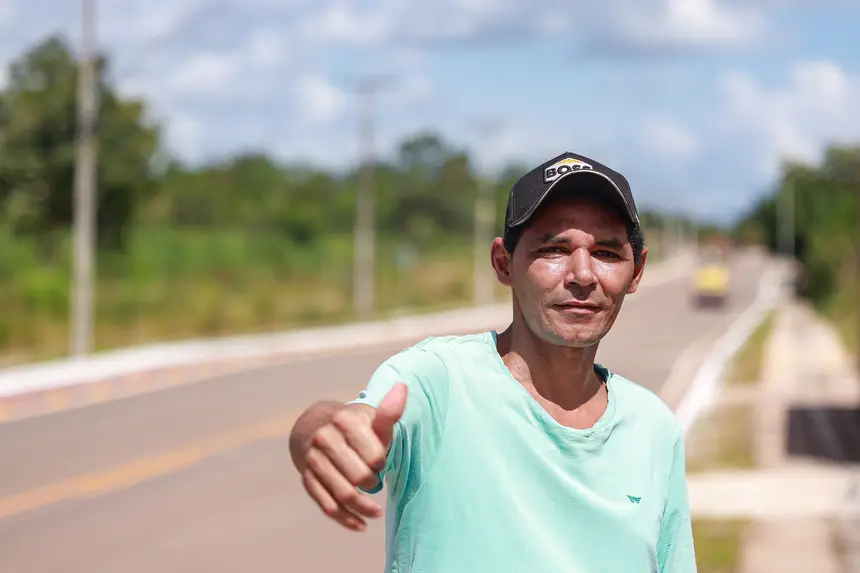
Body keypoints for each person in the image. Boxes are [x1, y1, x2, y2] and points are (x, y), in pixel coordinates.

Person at [288, 151, 697, 572]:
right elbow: (345, 421)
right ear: (504, 263)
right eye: (554, 249)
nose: (582, 275)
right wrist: (320, 432)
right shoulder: (439, 380)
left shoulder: (653, 428)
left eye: (607, 253)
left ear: (637, 271)